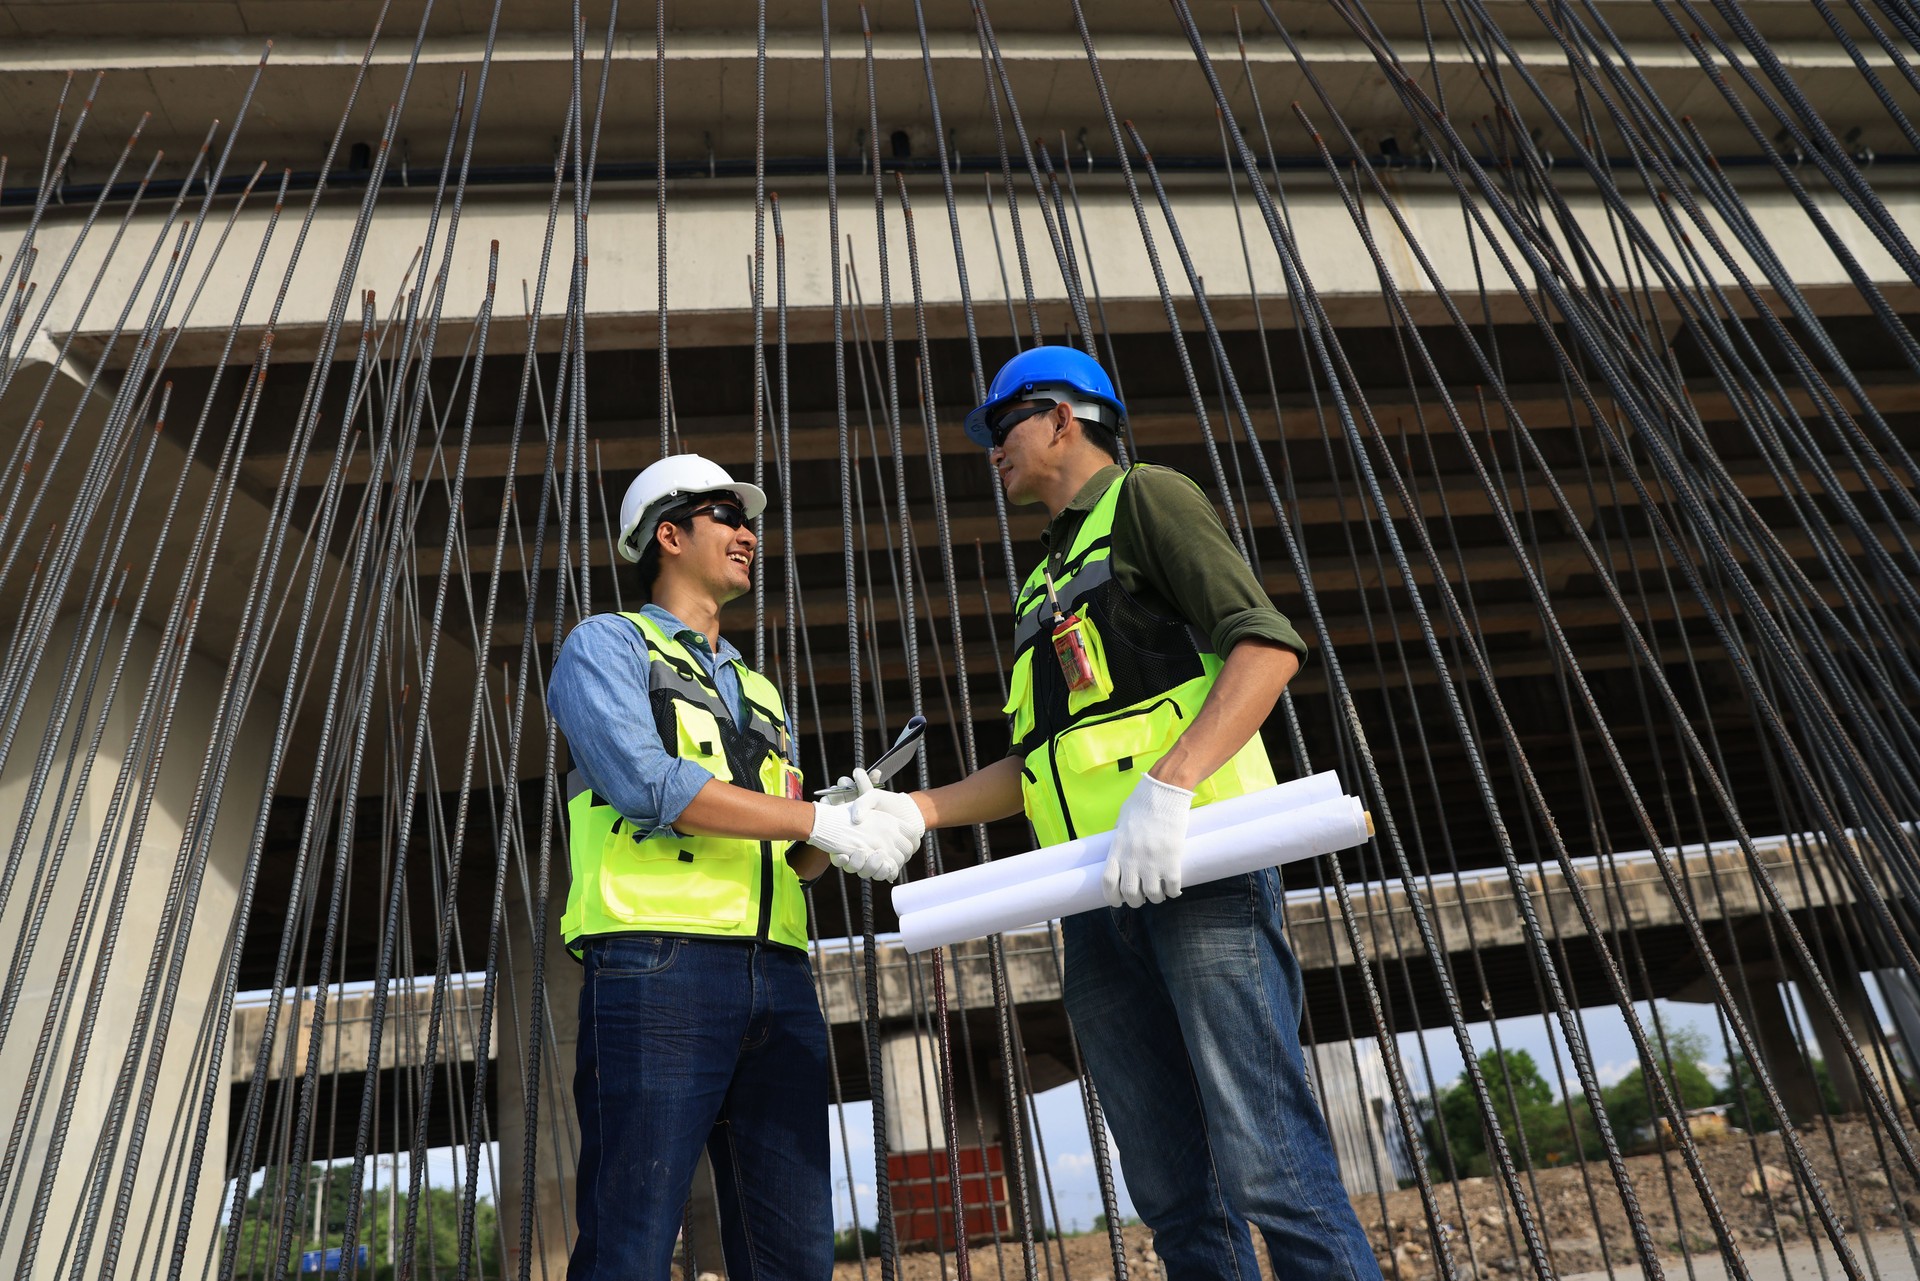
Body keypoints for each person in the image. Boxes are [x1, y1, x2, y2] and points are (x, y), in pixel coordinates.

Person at [860, 347, 1379, 1278]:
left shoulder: (1148, 500)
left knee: (1273, 1166)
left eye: (1003, 425)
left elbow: (1265, 647)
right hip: (1100, 906)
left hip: (1200, 873)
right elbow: (1043, 763)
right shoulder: (1043, 580)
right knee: (1175, 1194)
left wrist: (1173, 784)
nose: (992, 450)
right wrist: (918, 808)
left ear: (1064, 417)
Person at [548, 452, 921, 1281]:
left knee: (792, 1253)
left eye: (748, 519)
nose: (749, 533)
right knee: (630, 1244)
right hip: (658, 968)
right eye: (726, 514)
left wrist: (841, 826)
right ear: (668, 535)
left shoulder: (761, 690)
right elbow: (652, 785)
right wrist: (814, 817)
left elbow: (791, 854)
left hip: (780, 978)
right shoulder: (606, 646)